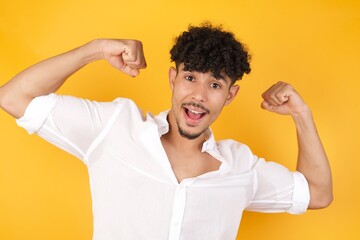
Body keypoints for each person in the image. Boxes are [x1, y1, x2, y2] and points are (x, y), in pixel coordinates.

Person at [0, 24, 333, 240]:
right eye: (190, 78)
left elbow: (317, 193)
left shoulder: (241, 166)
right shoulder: (116, 127)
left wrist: (301, 115)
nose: (199, 95)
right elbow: (14, 97)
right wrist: (96, 48)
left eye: (215, 84)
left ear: (230, 95)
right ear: (173, 79)